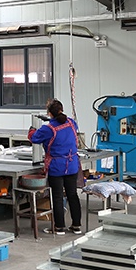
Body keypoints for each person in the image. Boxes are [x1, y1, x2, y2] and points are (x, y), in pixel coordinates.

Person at [28, 99, 82, 235]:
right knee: (72, 195)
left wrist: (32, 129)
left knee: (57, 197)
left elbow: (34, 138)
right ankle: (76, 226)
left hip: (57, 167)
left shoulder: (48, 129)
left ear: (49, 113)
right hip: (72, 164)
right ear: (61, 110)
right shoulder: (71, 122)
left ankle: (59, 227)